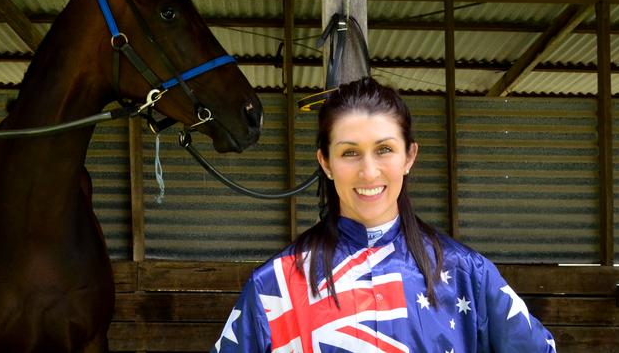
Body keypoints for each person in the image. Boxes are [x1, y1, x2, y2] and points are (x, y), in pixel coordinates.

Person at [212, 77, 556, 352]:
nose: (369, 172)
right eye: (350, 153)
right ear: (326, 163)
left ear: (409, 156)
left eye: (384, 149)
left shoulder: (468, 274)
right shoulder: (274, 284)